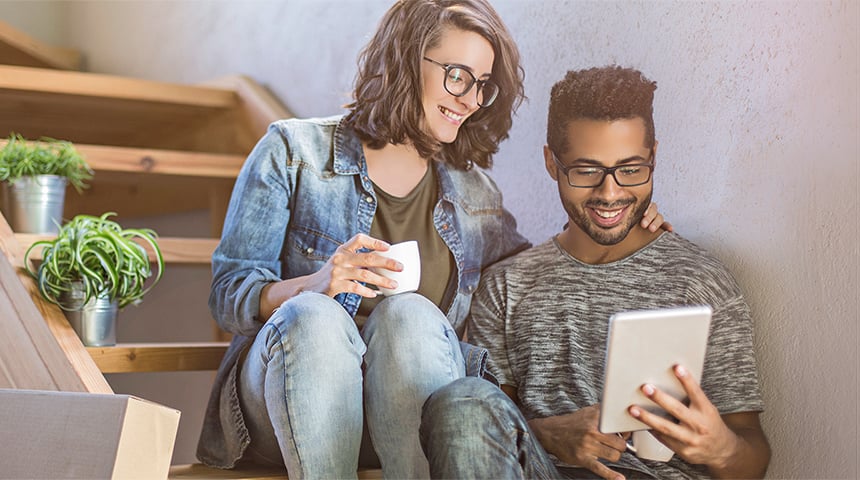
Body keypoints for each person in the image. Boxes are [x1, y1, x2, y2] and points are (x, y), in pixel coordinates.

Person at [196, 2, 669, 478]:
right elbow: (228, 293)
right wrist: (315, 284)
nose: (469, 99)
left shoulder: (472, 191)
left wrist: (621, 222)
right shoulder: (292, 152)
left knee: (409, 314)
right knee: (316, 317)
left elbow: (530, 276)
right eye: (459, 76)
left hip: (401, 419)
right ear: (405, 59)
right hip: (287, 408)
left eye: (482, 85)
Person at [420, 65, 771, 480]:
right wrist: (550, 435)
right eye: (586, 171)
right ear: (552, 162)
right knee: (460, 402)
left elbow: (752, 454)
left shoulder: (700, 282)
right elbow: (487, 429)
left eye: (631, 169)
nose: (610, 193)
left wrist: (722, 447)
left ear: (654, 158)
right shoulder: (508, 287)